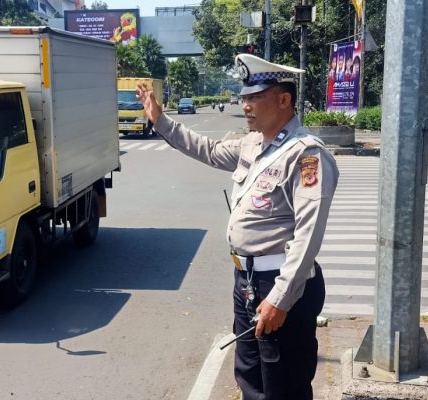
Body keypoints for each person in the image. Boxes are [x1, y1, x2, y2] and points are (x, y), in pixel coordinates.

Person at [136, 53, 339, 400]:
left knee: (283, 385)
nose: (244, 105)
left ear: (283, 99)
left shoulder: (306, 155)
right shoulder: (252, 144)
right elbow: (207, 149)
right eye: (243, 97)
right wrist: (162, 121)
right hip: (245, 282)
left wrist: (280, 298)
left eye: (253, 98)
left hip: (279, 285)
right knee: (251, 379)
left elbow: (308, 235)